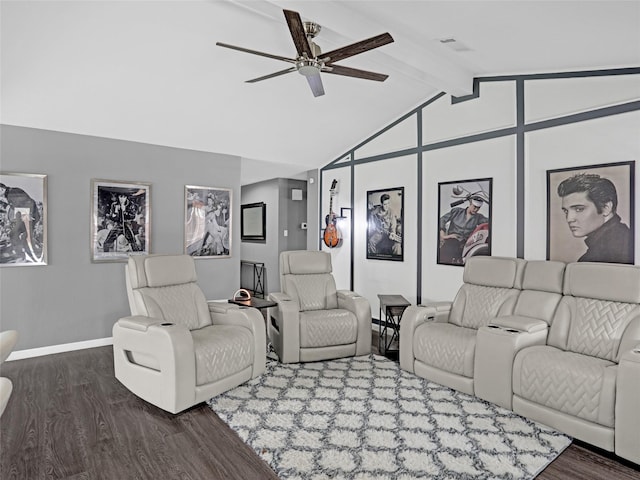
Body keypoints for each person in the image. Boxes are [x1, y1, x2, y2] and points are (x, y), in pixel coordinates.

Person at [557, 173, 633, 264]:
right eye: (566, 211)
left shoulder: (595, 258)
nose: (569, 219)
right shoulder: (625, 236)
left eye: (579, 209)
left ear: (606, 208)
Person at [439, 195, 488, 264]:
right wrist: (444, 236)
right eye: (474, 207)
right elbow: (442, 220)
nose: (476, 210)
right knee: (444, 257)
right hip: (451, 242)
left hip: (465, 245)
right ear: (470, 204)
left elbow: (490, 222)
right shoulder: (456, 211)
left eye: (478, 208)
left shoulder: (479, 217)